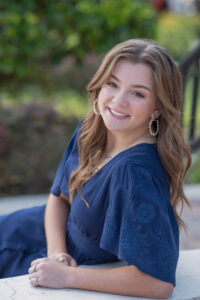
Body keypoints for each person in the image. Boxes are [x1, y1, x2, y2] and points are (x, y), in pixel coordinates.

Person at [0, 39, 191, 299]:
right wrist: (58, 254)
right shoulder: (91, 130)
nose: (118, 101)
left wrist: (67, 275)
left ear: (157, 107)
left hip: (54, 268)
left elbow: (158, 283)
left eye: (138, 93)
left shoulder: (135, 174)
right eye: (112, 84)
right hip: (34, 236)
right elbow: (58, 198)